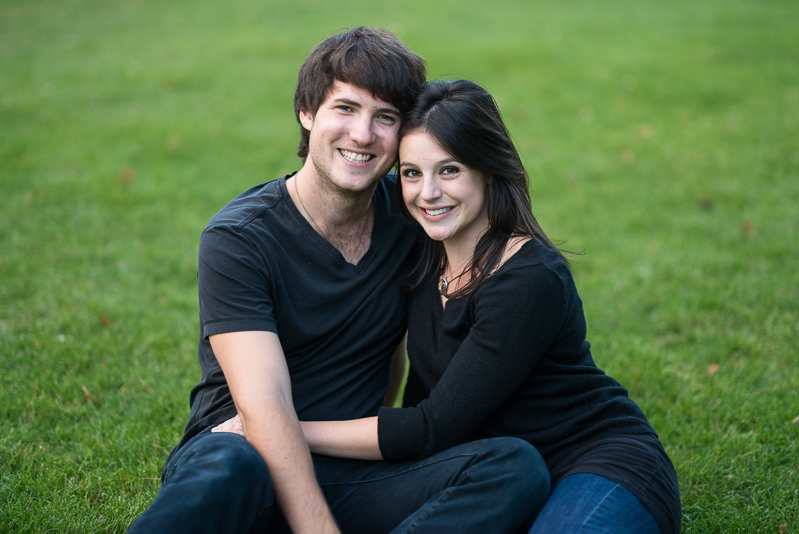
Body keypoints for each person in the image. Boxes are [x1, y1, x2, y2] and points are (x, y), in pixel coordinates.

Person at [128, 30, 549, 534]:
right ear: (307, 113)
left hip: (345, 470)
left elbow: (403, 335)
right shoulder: (239, 238)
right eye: (345, 108)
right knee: (229, 466)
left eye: (385, 117)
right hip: (242, 450)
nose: (363, 134)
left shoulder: (414, 213)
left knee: (512, 466)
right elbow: (264, 406)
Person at [224, 79, 681, 534]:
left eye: (449, 170)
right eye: (411, 173)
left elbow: (430, 426)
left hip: (595, 464)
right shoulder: (423, 258)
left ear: (487, 169)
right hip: (504, 476)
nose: (427, 193)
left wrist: (281, 430)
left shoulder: (527, 279)